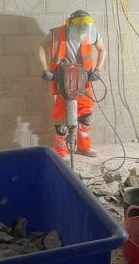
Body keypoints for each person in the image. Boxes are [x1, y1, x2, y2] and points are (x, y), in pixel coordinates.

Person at [35, 10, 107, 157]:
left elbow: (102, 49)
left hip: (83, 79)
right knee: (61, 119)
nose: (83, 33)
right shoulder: (57, 34)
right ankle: (59, 152)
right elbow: (39, 47)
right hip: (63, 80)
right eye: (80, 29)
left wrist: (98, 70)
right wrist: (45, 69)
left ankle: (83, 147)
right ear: (71, 25)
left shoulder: (90, 32)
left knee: (85, 115)